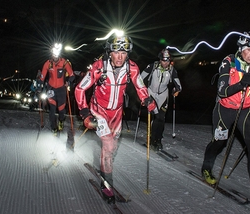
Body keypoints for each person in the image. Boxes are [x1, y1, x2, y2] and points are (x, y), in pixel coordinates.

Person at [200, 28, 250, 211]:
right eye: (249, 49)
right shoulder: (228, 62)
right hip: (225, 110)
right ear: (241, 48)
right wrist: (241, 84)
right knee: (219, 142)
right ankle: (206, 168)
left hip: (245, 111)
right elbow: (222, 91)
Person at [75, 33, 157, 184]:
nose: (120, 57)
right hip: (99, 112)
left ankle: (105, 164)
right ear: (109, 52)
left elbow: (140, 85)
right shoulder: (98, 67)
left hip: (117, 113)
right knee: (108, 143)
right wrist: (85, 113)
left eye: (124, 53)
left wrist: (146, 98)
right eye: (116, 52)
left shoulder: (131, 67)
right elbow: (79, 89)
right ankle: (107, 182)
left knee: (112, 146)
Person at [140, 49, 182, 150]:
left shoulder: (172, 70)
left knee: (161, 118)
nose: (165, 63)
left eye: (167, 61)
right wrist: (143, 93)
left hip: (163, 95)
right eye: (163, 60)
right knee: (155, 117)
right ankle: (152, 138)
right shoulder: (152, 66)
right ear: (160, 60)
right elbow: (140, 78)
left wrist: (177, 89)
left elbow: (178, 83)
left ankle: (158, 140)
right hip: (151, 94)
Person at [38, 43, 75, 135]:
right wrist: (39, 88)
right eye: (53, 55)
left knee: (61, 110)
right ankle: (54, 127)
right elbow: (42, 77)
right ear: (51, 54)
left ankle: (61, 120)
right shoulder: (48, 64)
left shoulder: (64, 62)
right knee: (52, 110)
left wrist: (69, 82)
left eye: (57, 55)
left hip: (61, 89)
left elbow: (72, 75)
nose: (55, 57)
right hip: (51, 89)